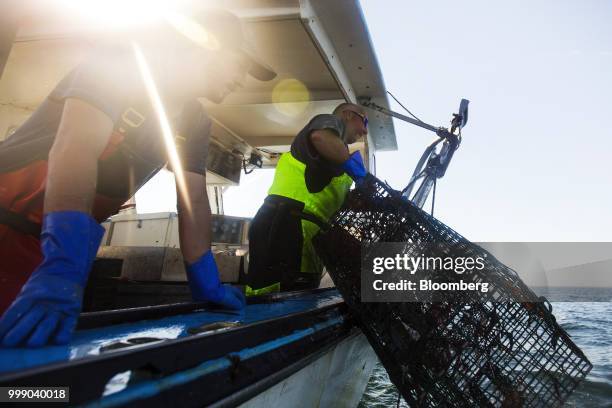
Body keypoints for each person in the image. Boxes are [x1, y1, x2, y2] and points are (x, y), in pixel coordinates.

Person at [0, 9, 276, 347]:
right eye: (240, 64)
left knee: (28, 355)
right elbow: (76, 149)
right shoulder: (119, 64)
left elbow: (194, 201)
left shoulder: (194, 122)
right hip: (29, 231)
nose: (242, 78)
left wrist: (207, 282)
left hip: (44, 248)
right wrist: (65, 262)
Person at [245, 103, 368, 295]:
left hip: (308, 238)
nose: (365, 131)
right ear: (348, 115)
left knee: (300, 298)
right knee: (273, 304)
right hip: (286, 227)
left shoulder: (337, 162)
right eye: (365, 121)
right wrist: (358, 172)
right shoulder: (328, 124)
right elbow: (320, 136)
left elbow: (328, 200)